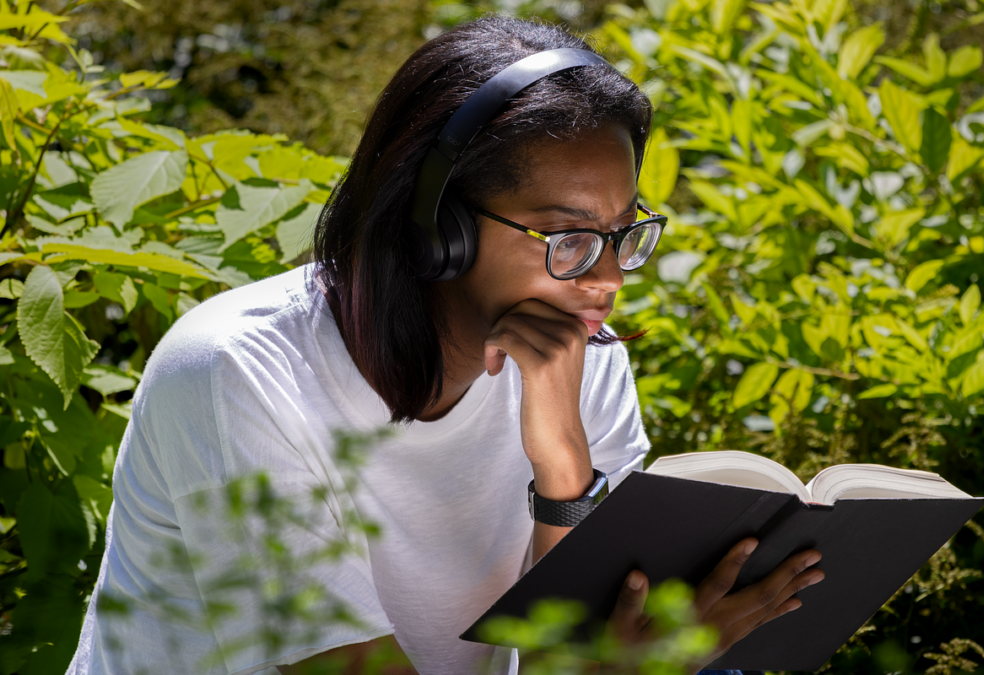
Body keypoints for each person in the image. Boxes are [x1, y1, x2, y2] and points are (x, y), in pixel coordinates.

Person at [66, 16, 823, 675]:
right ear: (440, 228)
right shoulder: (238, 370)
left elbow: (565, 652)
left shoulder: (583, 360)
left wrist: (565, 470)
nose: (608, 278)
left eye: (625, 233)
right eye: (568, 237)